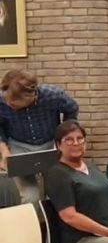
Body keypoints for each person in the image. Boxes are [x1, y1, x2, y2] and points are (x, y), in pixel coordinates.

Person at [0, 69, 79, 202]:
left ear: (31, 96)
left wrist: (64, 138)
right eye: (5, 99)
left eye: (12, 103)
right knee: (30, 195)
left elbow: (72, 109)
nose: (7, 104)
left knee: (56, 189)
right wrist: (4, 151)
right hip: (19, 145)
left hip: (50, 143)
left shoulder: (53, 95)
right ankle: (34, 215)